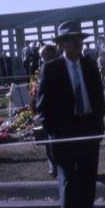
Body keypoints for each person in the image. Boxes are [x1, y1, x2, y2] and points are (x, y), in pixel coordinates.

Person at [36, 20, 105, 208]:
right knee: (68, 180)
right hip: (64, 133)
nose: (77, 43)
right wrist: (54, 133)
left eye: (79, 38)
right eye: (71, 39)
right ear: (63, 44)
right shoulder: (51, 68)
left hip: (89, 129)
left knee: (87, 178)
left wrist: (98, 123)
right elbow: (42, 106)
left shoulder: (89, 64)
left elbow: (98, 98)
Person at [37, 43, 60, 178]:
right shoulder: (44, 67)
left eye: (43, 55)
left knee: (53, 142)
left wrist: (41, 109)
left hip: (52, 112)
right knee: (48, 142)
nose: (41, 58)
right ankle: (53, 166)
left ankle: (55, 167)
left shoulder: (51, 67)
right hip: (49, 111)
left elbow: (45, 93)